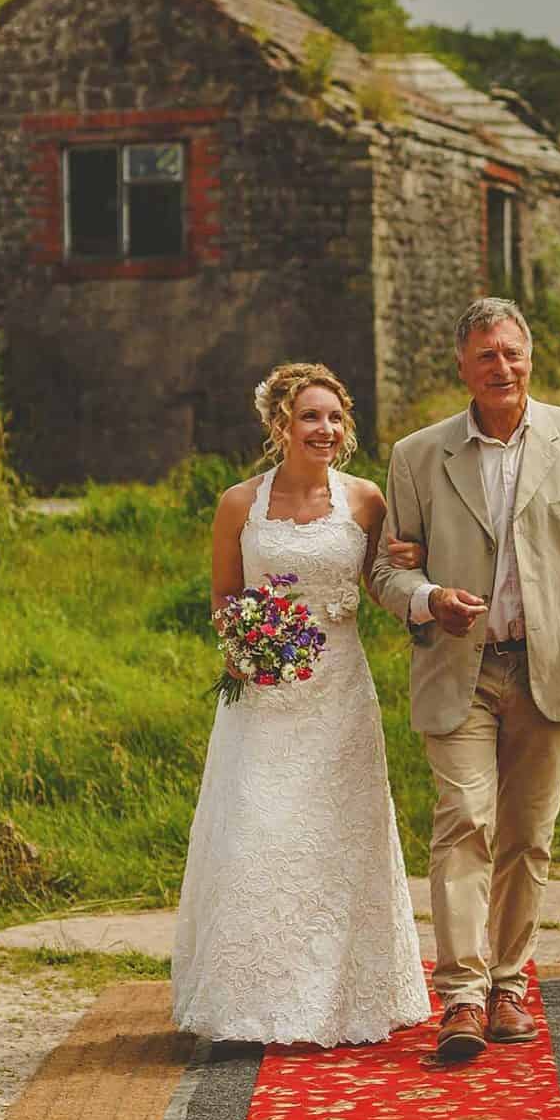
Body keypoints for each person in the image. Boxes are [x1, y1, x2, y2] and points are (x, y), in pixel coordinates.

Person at [367, 297, 560, 1063]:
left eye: (513, 352)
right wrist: (429, 598)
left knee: (527, 836)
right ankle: (459, 996)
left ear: (531, 358)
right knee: (464, 819)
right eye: (487, 354)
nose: (502, 366)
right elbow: (391, 571)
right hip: (459, 667)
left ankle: (508, 983)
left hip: (551, 666)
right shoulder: (418, 455)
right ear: (461, 365)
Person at [170, 363, 432, 1045]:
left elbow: (382, 581)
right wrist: (244, 643)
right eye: (310, 416)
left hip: (339, 690)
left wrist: (416, 571)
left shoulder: (366, 500)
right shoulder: (239, 504)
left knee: (338, 835)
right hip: (261, 694)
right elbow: (225, 595)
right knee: (258, 832)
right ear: (281, 425)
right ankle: (247, 1001)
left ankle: (341, 998)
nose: (325, 428)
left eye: (335, 418)